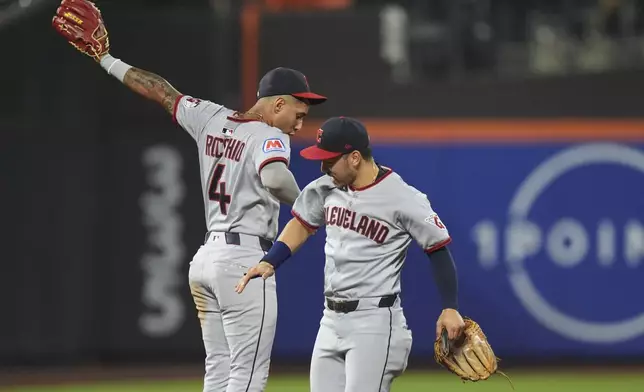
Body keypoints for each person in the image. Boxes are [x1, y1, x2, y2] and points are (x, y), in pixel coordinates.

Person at [51, 1, 327, 391]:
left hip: (206, 261)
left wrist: (106, 59)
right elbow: (277, 178)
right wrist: (306, 205)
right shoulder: (271, 135)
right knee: (247, 377)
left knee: (217, 372)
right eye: (298, 112)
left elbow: (161, 90)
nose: (300, 123)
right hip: (244, 262)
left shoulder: (211, 117)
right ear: (277, 104)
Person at [236, 116, 465, 392]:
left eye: (330, 160)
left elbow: (437, 248)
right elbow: (301, 224)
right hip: (330, 320)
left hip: (375, 322)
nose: (323, 167)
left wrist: (450, 307)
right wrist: (270, 261)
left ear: (355, 157)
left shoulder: (404, 197)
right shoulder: (326, 188)